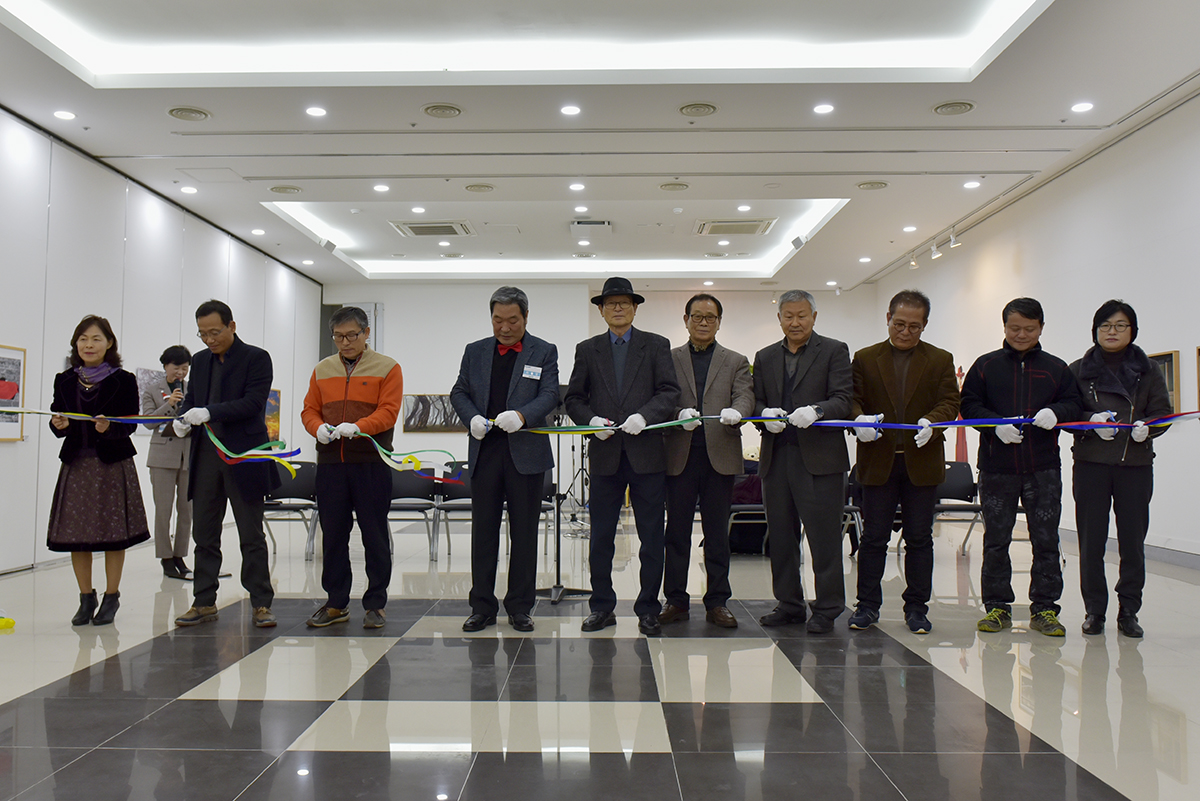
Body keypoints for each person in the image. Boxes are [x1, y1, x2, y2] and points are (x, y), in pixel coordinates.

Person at [565, 276, 680, 636]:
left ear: (634, 308)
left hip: (647, 455)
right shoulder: (587, 349)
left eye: (624, 303)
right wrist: (590, 421)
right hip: (604, 456)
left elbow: (669, 392)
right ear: (601, 310)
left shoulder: (656, 345)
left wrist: (644, 416)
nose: (618, 308)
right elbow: (574, 398)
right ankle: (601, 607)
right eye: (611, 303)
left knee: (651, 537)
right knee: (601, 537)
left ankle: (648, 608)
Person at [960, 297, 1082, 637]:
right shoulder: (985, 366)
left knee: (1046, 539)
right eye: (1014, 328)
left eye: (1029, 328)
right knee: (996, 539)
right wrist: (994, 424)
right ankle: (997, 606)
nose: (1021, 334)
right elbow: (968, 405)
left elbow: (1074, 404)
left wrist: (1056, 412)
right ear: (1004, 327)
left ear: (1041, 328)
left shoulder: (1057, 368)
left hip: (1043, 468)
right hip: (997, 467)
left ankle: (1045, 608)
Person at [846, 290, 960, 635]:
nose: (906, 332)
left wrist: (933, 422)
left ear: (925, 325)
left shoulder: (939, 359)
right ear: (888, 318)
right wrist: (859, 420)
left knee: (920, 539)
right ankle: (867, 606)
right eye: (899, 324)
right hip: (878, 462)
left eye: (914, 326)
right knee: (873, 538)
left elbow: (950, 401)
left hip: (921, 463)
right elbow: (852, 399)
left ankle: (917, 609)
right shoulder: (866, 358)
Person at [450, 287, 560, 633]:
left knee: (524, 532)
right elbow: (459, 391)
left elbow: (550, 394)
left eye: (513, 320)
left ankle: (520, 607)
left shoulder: (543, 350)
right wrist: (471, 418)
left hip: (525, 453)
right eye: (498, 320)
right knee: (483, 532)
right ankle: (482, 606)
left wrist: (522, 416)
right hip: (485, 452)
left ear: (525, 317)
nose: (505, 327)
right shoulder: (475, 351)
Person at [172, 300, 279, 628]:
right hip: (206, 458)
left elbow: (253, 403)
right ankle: (204, 601)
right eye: (202, 334)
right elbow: (192, 400)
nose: (209, 339)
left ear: (232, 326)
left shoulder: (256, 358)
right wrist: (182, 419)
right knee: (204, 534)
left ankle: (261, 603)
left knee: (250, 534)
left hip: (244, 457)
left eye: (215, 332)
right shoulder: (200, 361)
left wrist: (210, 412)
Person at [752, 289, 853, 633]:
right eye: (788, 316)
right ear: (779, 318)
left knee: (824, 540)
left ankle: (827, 608)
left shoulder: (834, 350)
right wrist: (763, 415)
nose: (795, 322)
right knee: (781, 538)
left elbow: (844, 399)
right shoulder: (765, 356)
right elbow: (755, 402)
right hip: (776, 457)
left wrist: (817, 411)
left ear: (814, 317)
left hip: (821, 461)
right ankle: (789, 604)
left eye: (802, 315)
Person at [1070, 300, 1172, 638]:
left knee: (1132, 542)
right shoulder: (1078, 369)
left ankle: (1129, 610)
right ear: (1095, 330)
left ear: (1132, 331)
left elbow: (1162, 413)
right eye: (1105, 326)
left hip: (1135, 465)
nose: (1112, 332)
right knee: (1091, 542)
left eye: (1120, 325)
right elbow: (1066, 412)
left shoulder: (1148, 369)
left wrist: (1149, 428)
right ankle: (1094, 611)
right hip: (1091, 465)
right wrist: (1090, 421)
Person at [301, 306, 404, 629]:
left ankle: (376, 604)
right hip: (331, 465)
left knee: (374, 535)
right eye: (338, 337)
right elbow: (309, 410)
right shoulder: (322, 369)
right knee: (333, 535)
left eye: (351, 336)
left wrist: (359, 427)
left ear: (366, 333)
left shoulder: (388, 368)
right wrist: (316, 427)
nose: (344, 343)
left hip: (370, 464)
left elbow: (389, 411)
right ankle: (336, 603)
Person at [48, 315, 151, 626]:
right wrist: (59, 424)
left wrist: (110, 428)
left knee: (112, 535)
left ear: (109, 343)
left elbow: (130, 424)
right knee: (75, 535)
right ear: (75, 344)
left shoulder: (124, 380)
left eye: (95, 339)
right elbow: (58, 420)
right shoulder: (64, 379)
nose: (88, 345)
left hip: (111, 464)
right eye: (83, 339)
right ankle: (85, 597)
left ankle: (111, 596)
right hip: (77, 464)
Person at [660, 293, 754, 628]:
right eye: (697, 316)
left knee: (716, 535)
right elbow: (660, 398)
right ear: (686, 320)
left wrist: (738, 413)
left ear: (719, 322)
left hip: (720, 455)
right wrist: (676, 414)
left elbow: (745, 395)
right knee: (676, 533)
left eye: (710, 317)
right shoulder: (668, 359)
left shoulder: (736, 360)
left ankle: (717, 602)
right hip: (679, 456)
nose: (703, 322)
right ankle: (675, 600)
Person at [140, 345, 194, 580]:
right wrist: (169, 403)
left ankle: (180, 555)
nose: (180, 373)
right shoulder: (152, 390)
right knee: (163, 511)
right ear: (165, 366)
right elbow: (148, 422)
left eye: (185, 368)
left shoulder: (193, 389)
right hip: (162, 457)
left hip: (188, 457)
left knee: (187, 510)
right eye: (176, 368)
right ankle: (165, 557)